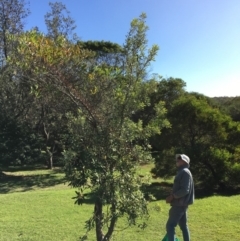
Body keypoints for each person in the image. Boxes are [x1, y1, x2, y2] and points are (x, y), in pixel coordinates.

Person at [165, 154, 194, 241]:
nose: (177, 160)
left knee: (170, 226)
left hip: (179, 204)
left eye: (179, 159)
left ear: (185, 161)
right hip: (181, 204)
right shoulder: (183, 172)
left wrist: (172, 196)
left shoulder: (184, 172)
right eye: (177, 158)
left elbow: (185, 190)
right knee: (183, 226)